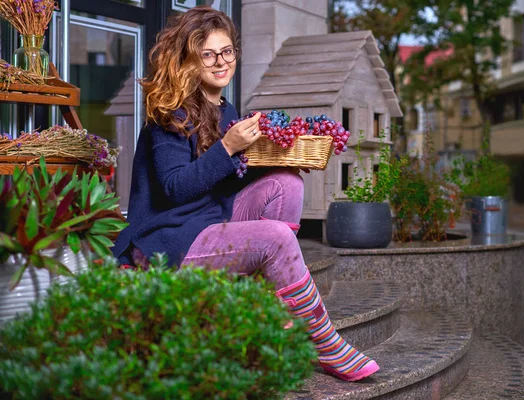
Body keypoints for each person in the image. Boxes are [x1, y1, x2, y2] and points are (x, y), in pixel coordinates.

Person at [111, 5, 379, 382]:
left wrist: (273, 163)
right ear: (188, 58)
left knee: (287, 182)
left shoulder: (224, 107)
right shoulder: (169, 112)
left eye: (227, 51)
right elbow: (174, 188)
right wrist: (228, 148)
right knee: (274, 237)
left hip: (206, 220)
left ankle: (269, 300)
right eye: (208, 54)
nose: (221, 62)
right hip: (167, 237)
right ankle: (324, 342)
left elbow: (223, 180)